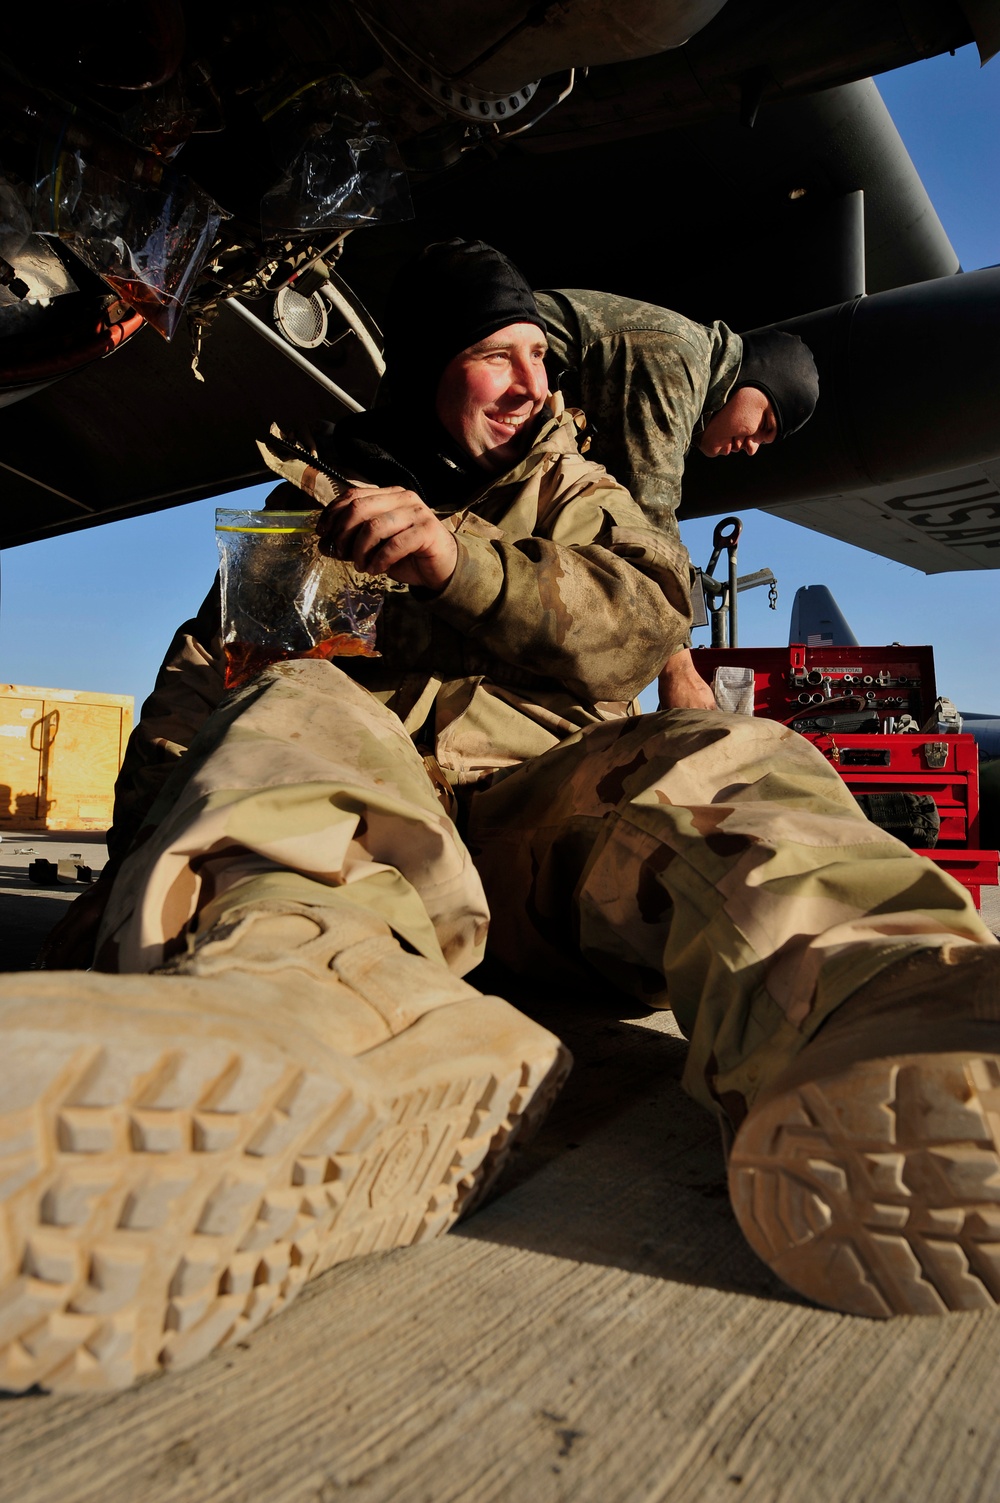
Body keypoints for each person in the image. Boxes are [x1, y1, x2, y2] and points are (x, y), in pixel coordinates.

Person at [5, 241, 999, 1396]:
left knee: (727, 755)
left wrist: (459, 563)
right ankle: (299, 1013)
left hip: (546, 853)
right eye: (494, 356)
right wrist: (131, 884)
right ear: (431, 368)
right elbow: (197, 703)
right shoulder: (307, 514)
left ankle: (890, 1004)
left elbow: (637, 626)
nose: (531, 383)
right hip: (368, 864)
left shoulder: (584, 494)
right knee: (294, 702)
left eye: (539, 356)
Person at [537, 289, 819, 711]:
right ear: (754, 379)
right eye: (765, 423)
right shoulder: (677, 361)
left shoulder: (687, 364)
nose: (754, 447)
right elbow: (648, 520)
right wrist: (679, 669)